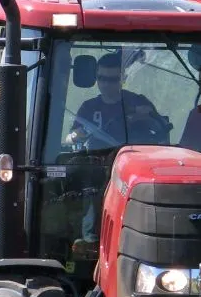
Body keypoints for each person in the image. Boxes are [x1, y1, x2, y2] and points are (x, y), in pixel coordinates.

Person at [67, 51, 164, 257]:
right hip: (98, 167)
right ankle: (90, 240)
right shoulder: (88, 108)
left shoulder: (138, 103)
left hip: (134, 170)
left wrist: (145, 120)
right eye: (102, 78)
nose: (106, 84)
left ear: (123, 79)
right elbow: (71, 138)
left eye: (112, 79)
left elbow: (162, 131)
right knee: (87, 181)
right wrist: (76, 135)